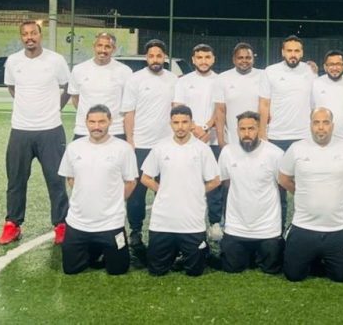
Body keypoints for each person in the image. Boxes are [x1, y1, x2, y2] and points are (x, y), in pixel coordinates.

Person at [0, 20, 71, 245]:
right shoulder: (13, 61)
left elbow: (68, 87)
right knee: (16, 180)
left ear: (40, 35)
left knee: (56, 180)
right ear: (21, 37)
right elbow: (12, 88)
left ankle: (61, 224)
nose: (29, 37)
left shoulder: (55, 60)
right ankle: (13, 225)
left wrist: (55, 108)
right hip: (20, 130)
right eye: (25, 34)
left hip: (51, 130)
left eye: (33, 33)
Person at [278, 108, 343, 283]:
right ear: (310, 125)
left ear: (332, 125)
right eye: (316, 122)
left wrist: (340, 192)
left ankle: (323, 257)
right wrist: (302, 193)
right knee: (293, 276)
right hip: (303, 226)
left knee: (340, 277)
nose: (321, 127)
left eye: (325, 122)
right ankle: (312, 256)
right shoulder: (297, 148)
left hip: (336, 228)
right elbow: (283, 178)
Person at [140, 105, 221, 276]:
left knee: (195, 271)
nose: (180, 126)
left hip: (192, 222)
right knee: (156, 270)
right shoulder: (160, 148)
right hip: (163, 222)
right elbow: (145, 178)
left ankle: (199, 250)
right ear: (171, 124)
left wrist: (197, 191)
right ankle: (175, 252)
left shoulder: (202, 149)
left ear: (191, 123)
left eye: (184, 122)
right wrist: (162, 190)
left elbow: (215, 181)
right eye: (176, 122)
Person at [58, 105, 138, 275]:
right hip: (78, 222)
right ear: (86, 122)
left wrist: (114, 201)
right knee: (71, 269)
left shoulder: (123, 148)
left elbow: (131, 182)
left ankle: (103, 249)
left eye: (101, 121)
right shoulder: (74, 147)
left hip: (111, 223)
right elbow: (70, 178)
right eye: (92, 122)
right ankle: (94, 249)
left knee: (118, 270)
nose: (96, 126)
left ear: (110, 121)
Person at [120, 39, 178, 251]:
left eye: (159, 56)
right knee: (137, 194)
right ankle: (135, 232)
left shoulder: (173, 80)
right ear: (146, 57)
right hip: (141, 145)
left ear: (165, 57)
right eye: (151, 56)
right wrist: (130, 141)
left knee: (167, 190)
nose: (155, 59)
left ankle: (171, 230)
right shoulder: (135, 79)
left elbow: (177, 111)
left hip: (166, 146)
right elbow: (129, 112)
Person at [259, 35, 316, 229]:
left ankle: (304, 229)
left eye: (296, 51)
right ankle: (277, 230)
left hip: (304, 138)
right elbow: (264, 104)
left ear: (302, 53)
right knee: (277, 189)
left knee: (305, 187)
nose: (293, 54)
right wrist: (263, 134)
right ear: (283, 52)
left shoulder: (310, 72)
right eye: (289, 51)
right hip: (277, 138)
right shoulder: (271, 72)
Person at [218, 111, 284, 274]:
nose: (247, 133)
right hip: (236, 227)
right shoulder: (227, 152)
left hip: (268, 228)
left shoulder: (275, 154)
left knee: (271, 269)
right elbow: (226, 183)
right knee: (231, 268)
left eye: (251, 128)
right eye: (242, 129)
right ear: (237, 130)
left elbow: (282, 184)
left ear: (259, 129)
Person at [173, 44, 223, 242]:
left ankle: (215, 223)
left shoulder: (220, 80)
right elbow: (178, 109)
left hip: (212, 140)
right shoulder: (183, 82)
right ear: (193, 60)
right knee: (188, 181)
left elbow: (220, 109)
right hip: (189, 140)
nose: (203, 61)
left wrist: (207, 128)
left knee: (214, 183)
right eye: (199, 57)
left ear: (213, 59)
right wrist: (194, 128)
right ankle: (187, 222)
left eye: (207, 57)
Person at [68, 32, 132, 140]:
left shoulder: (125, 71)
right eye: (100, 45)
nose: (103, 50)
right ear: (94, 46)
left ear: (114, 49)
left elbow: (128, 104)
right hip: (84, 130)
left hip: (115, 130)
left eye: (107, 46)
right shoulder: (79, 70)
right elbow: (75, 99)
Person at [214, 42, 262, 148]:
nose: (244, 60)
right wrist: (221, 140)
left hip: (258, 138)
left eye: (248, 57)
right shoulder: (222, 78)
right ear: (234, 60)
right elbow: (220, 111)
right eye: (240, 58)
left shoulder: (263, 76)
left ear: (253, 59)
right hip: (232, 139)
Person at [311, 50, 343, 143]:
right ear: (325, 67)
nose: (335, 68)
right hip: (321, 138)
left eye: (338, 64)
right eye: (331, 64)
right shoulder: (315, 83)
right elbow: (311, 108)